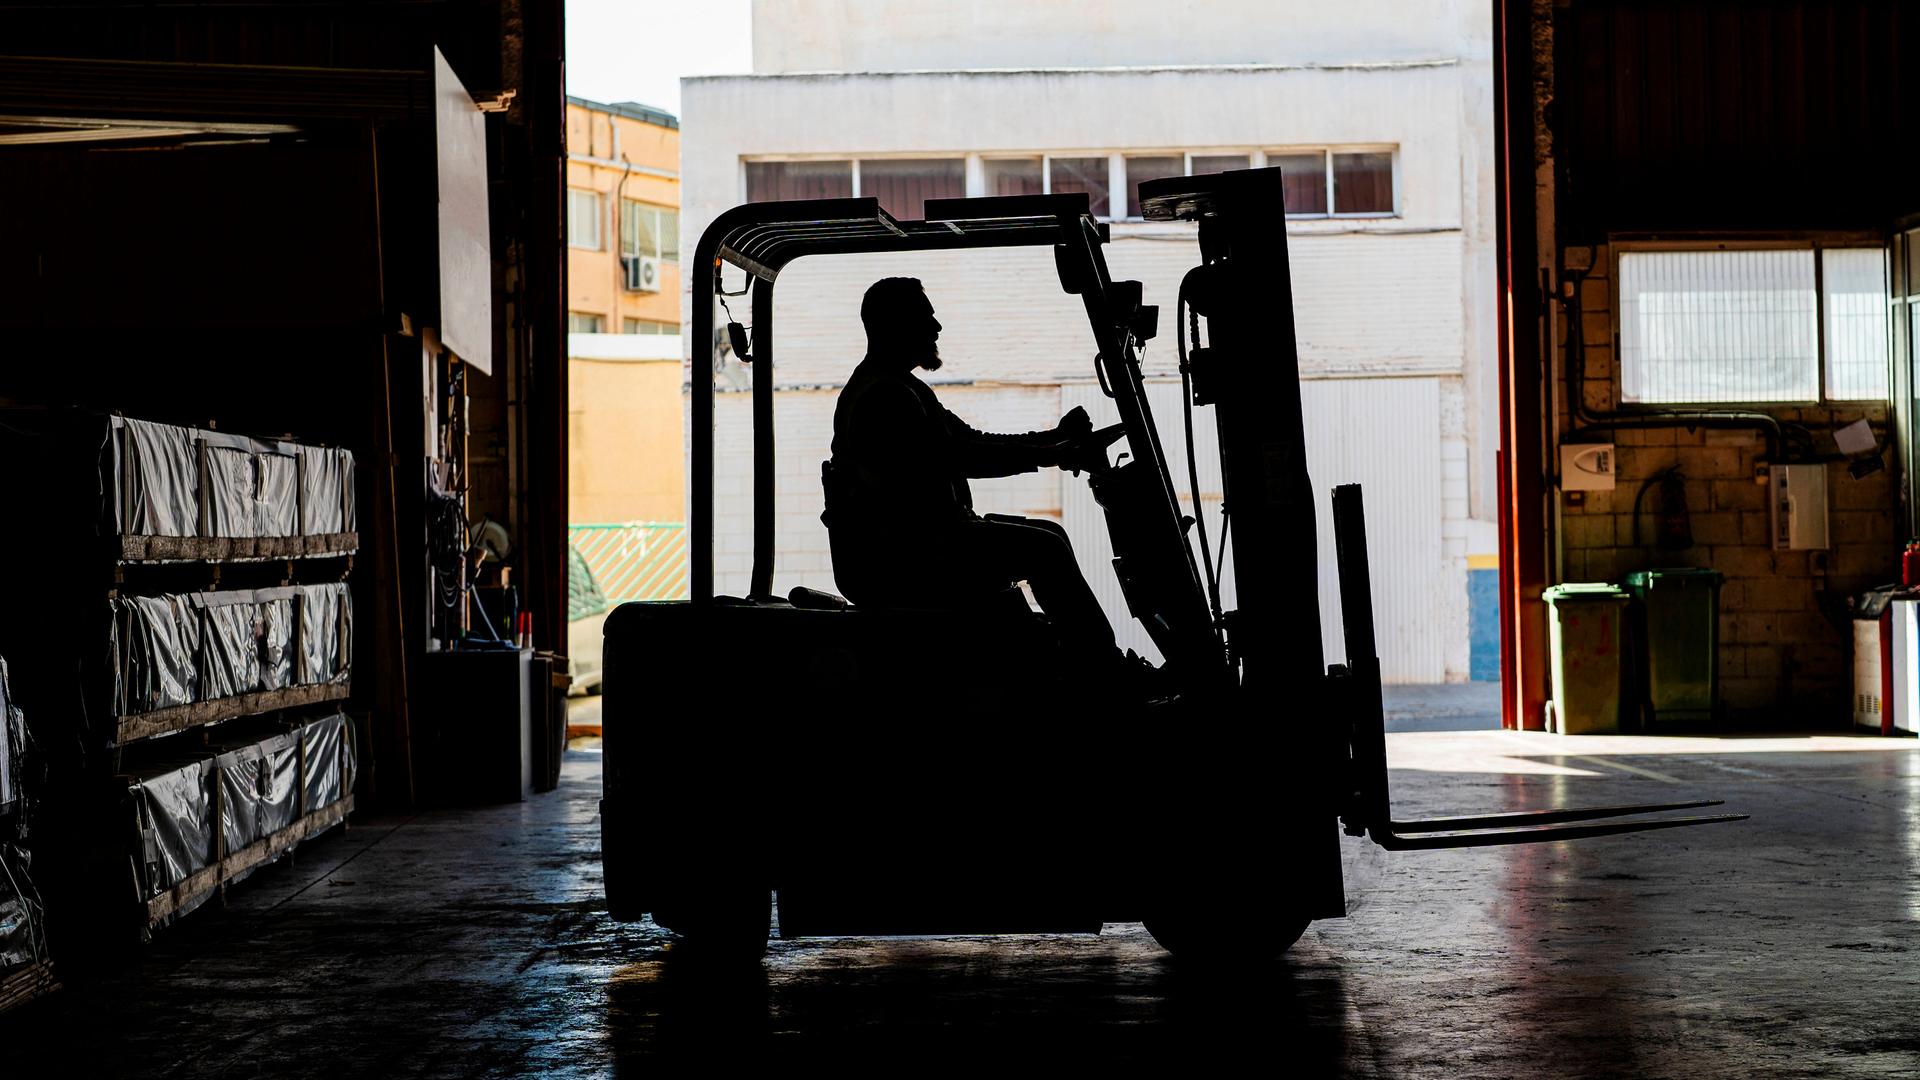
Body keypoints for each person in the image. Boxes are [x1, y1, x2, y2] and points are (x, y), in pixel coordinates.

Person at [822, 276, 1123, 669]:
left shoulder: (899, 387)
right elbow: (963, 457)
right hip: (910, 555)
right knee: (1044, 550)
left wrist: (1055, 439)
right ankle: (1107, 669)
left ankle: (1087, 664)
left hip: (918, 544)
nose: (936, 327)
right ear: (893, 326)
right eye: (924, 317)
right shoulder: (885, 398)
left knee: (1052, 535)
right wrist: (1050, 455)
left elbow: (971, 440)